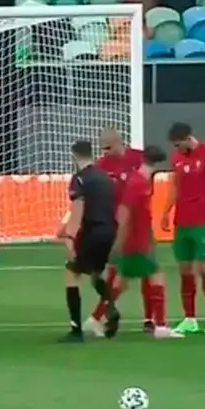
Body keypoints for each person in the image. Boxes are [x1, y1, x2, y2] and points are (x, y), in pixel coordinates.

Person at [161, 122, 205, 335]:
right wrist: (166, 211)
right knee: (184, 269)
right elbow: (175, 185)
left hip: (203, 221)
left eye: (178, 144)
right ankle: (189, 318)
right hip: (181, 222)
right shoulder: (177, 158)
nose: (176, 149)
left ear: (187, 138)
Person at [110, 146, 184, 340]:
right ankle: (160, 326)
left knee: (121, 282)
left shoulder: (137, 180)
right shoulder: (139, 183)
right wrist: (121, 240)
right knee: (155, 277)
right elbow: (124, 212)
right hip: (136, 240)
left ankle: (97, 318)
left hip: (135, 238)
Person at [88, 128, 155, 332]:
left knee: (147, 271)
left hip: (140, 223)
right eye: (103, 149)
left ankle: (149, 319)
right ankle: (101, 315)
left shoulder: (139, 158)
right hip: (115, 224)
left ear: (119, 142)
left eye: (108, 147)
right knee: (116, 272)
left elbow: (148, 186)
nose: (106, 152)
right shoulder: (101, 166)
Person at [61, 140, 121, 341]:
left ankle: (75, 330)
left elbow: (78, 211)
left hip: (92, 231)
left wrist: (69, 237)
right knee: (95, 274)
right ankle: (111, 307)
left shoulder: (79, 179)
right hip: (110, 231)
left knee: (71, 273)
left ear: (74, 156)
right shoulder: (105, 177)